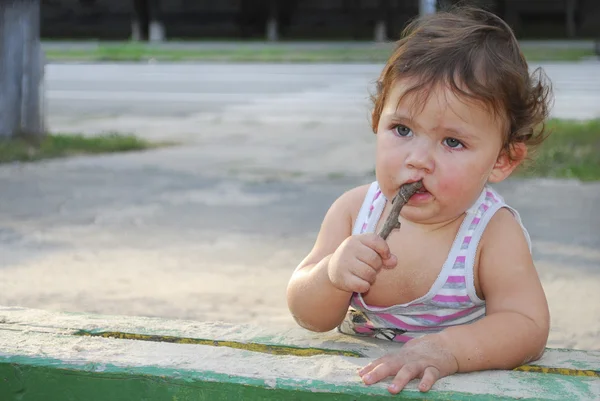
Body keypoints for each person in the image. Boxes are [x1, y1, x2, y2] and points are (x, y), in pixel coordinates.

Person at [286, 6, 552, 395]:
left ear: (501, 160)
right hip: (356, 385)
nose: (418, 159)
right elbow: (309, 316)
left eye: (452, 142)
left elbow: (527, 325)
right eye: (402, 129)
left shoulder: (491, 233)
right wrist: (331, 274)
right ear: (378, 121)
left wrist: (449, 351)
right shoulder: (354, 213)